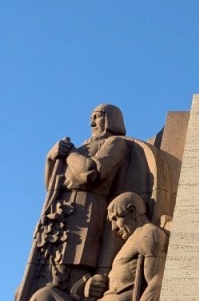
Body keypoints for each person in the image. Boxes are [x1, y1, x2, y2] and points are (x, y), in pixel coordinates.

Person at [9, 192, 167, 301]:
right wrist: (88, 286)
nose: (114, 227)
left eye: (116, 218)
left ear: (132, 210)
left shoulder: (148, 234)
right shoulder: (132, 240)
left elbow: (156, 286)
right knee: (44, 297)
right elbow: (121, 279)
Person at [39, 103, 133, 288]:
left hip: (87, 209)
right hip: (61, 211)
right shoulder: (83, 148)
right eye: (91, 118)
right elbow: (52, 186)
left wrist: (70, 154)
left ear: (110, 119)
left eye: (97, 117)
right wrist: (50, 158)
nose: (92, 123)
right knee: (50, 270)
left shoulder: (115, 143)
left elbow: (91, 173)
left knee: (72, 269)